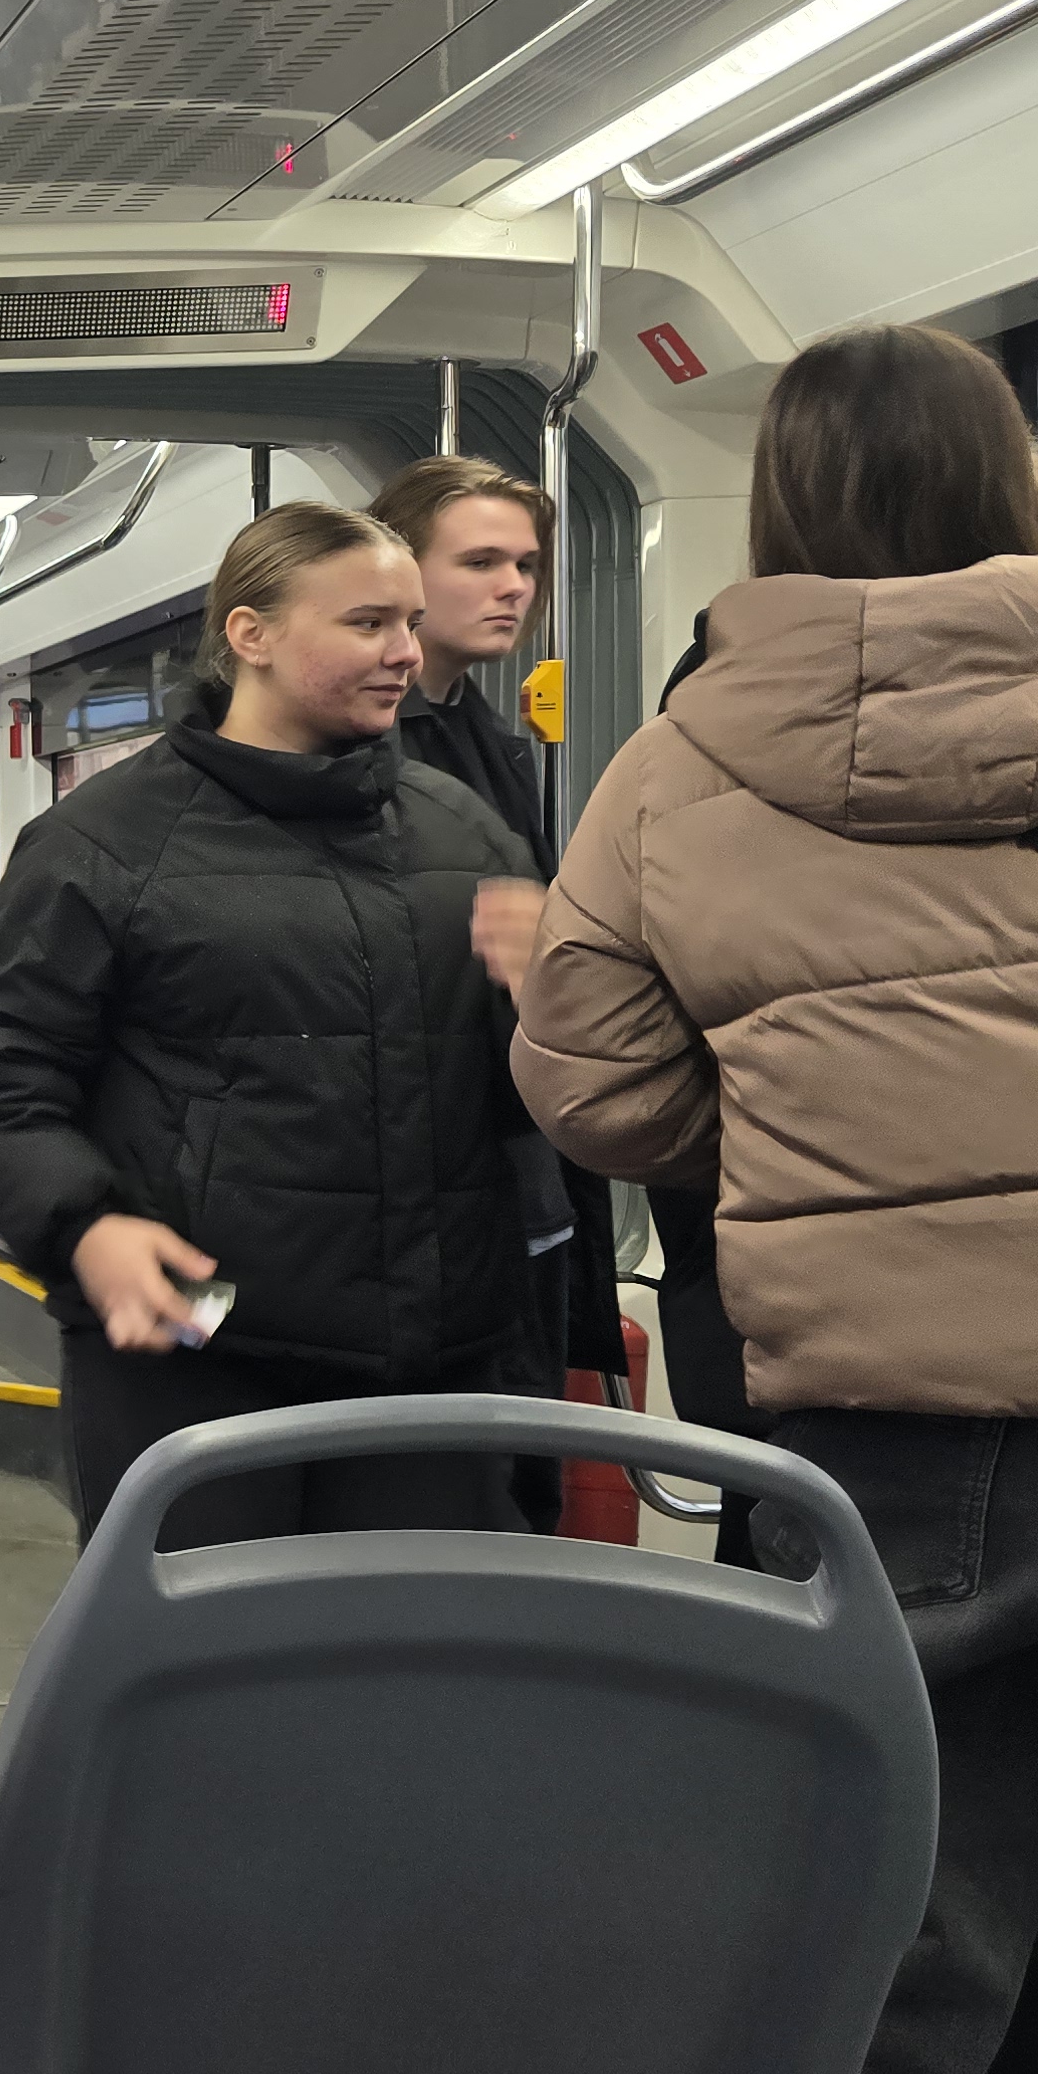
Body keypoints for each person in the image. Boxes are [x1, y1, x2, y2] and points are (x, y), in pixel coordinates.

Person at [510, 324, 1038, 2074]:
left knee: (901, 1916)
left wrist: (823, 1111)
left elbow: (597, 1092)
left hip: (891, 1417)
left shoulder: (676, 762)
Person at [0, 502, 545, 1546]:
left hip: (428, 1365)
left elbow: (523, 1097)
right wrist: (85, 1226)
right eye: (367, 623)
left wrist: (556, 1002)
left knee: (419, 1649)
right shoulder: (102, 844)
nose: (405, 653)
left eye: (409, 624)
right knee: (209, 1645)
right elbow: (1, 1086)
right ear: (251, 635)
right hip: (199, 1351)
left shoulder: (464, 832)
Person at [368, 451, 631, 1528]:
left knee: (521, 1491)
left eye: (525, 564)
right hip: (417, 1187)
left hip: (519, 1177)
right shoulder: (357, 753)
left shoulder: (495, 748)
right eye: (479, 562)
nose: (514, 586)